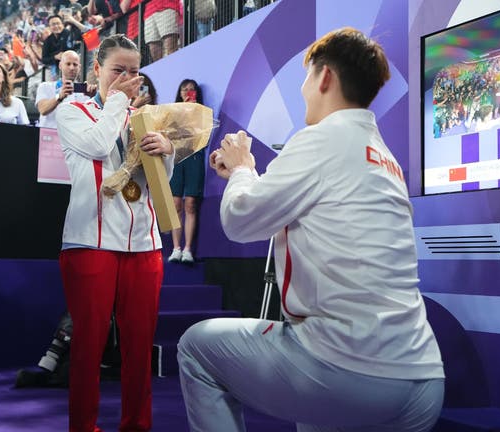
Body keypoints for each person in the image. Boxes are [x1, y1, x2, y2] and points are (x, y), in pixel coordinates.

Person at [177, 27, 445, 432]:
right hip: (421, 376)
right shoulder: (379, 154)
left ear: (324, 78)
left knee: (197, 347)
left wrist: (244, 170)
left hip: (348, 368)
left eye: (305, 77)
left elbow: (239, 220)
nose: (302, 89)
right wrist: (244, 174)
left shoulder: (321, 139)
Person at [54, 34, 175, 432]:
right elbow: (96, 144)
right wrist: (120, 103)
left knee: (139, 350)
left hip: (144, 242)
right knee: (88, 348)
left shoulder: (144, 119)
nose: (127, 78)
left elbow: (158, 183)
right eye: (117, 70)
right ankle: (83, 426)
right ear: (97, 71)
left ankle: (137, 425)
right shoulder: (73, 109)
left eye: (134, 71)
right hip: (91, 242)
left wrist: (166, 153)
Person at [168, 79, 206, 264]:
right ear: (180, 93)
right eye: (185, 90)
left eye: (192, 90)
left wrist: (194, 111)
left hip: (195, 157)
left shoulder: (203, 112)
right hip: (177, 158)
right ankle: (176, 248)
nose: (188, 92)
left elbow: (203, 136)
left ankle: (188, 249)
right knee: (176, 204)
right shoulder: (173, 111)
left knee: (190, 203)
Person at [36, 50, 95, 129]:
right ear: (60, 66)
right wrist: (59, 96)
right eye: (68, 64)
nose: (72, 68)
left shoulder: (84, 91)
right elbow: (43, 109)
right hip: (50, 137)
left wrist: (93, 98)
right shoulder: (45, 86)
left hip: (73, 139)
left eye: (75, 64)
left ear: (79, 67)